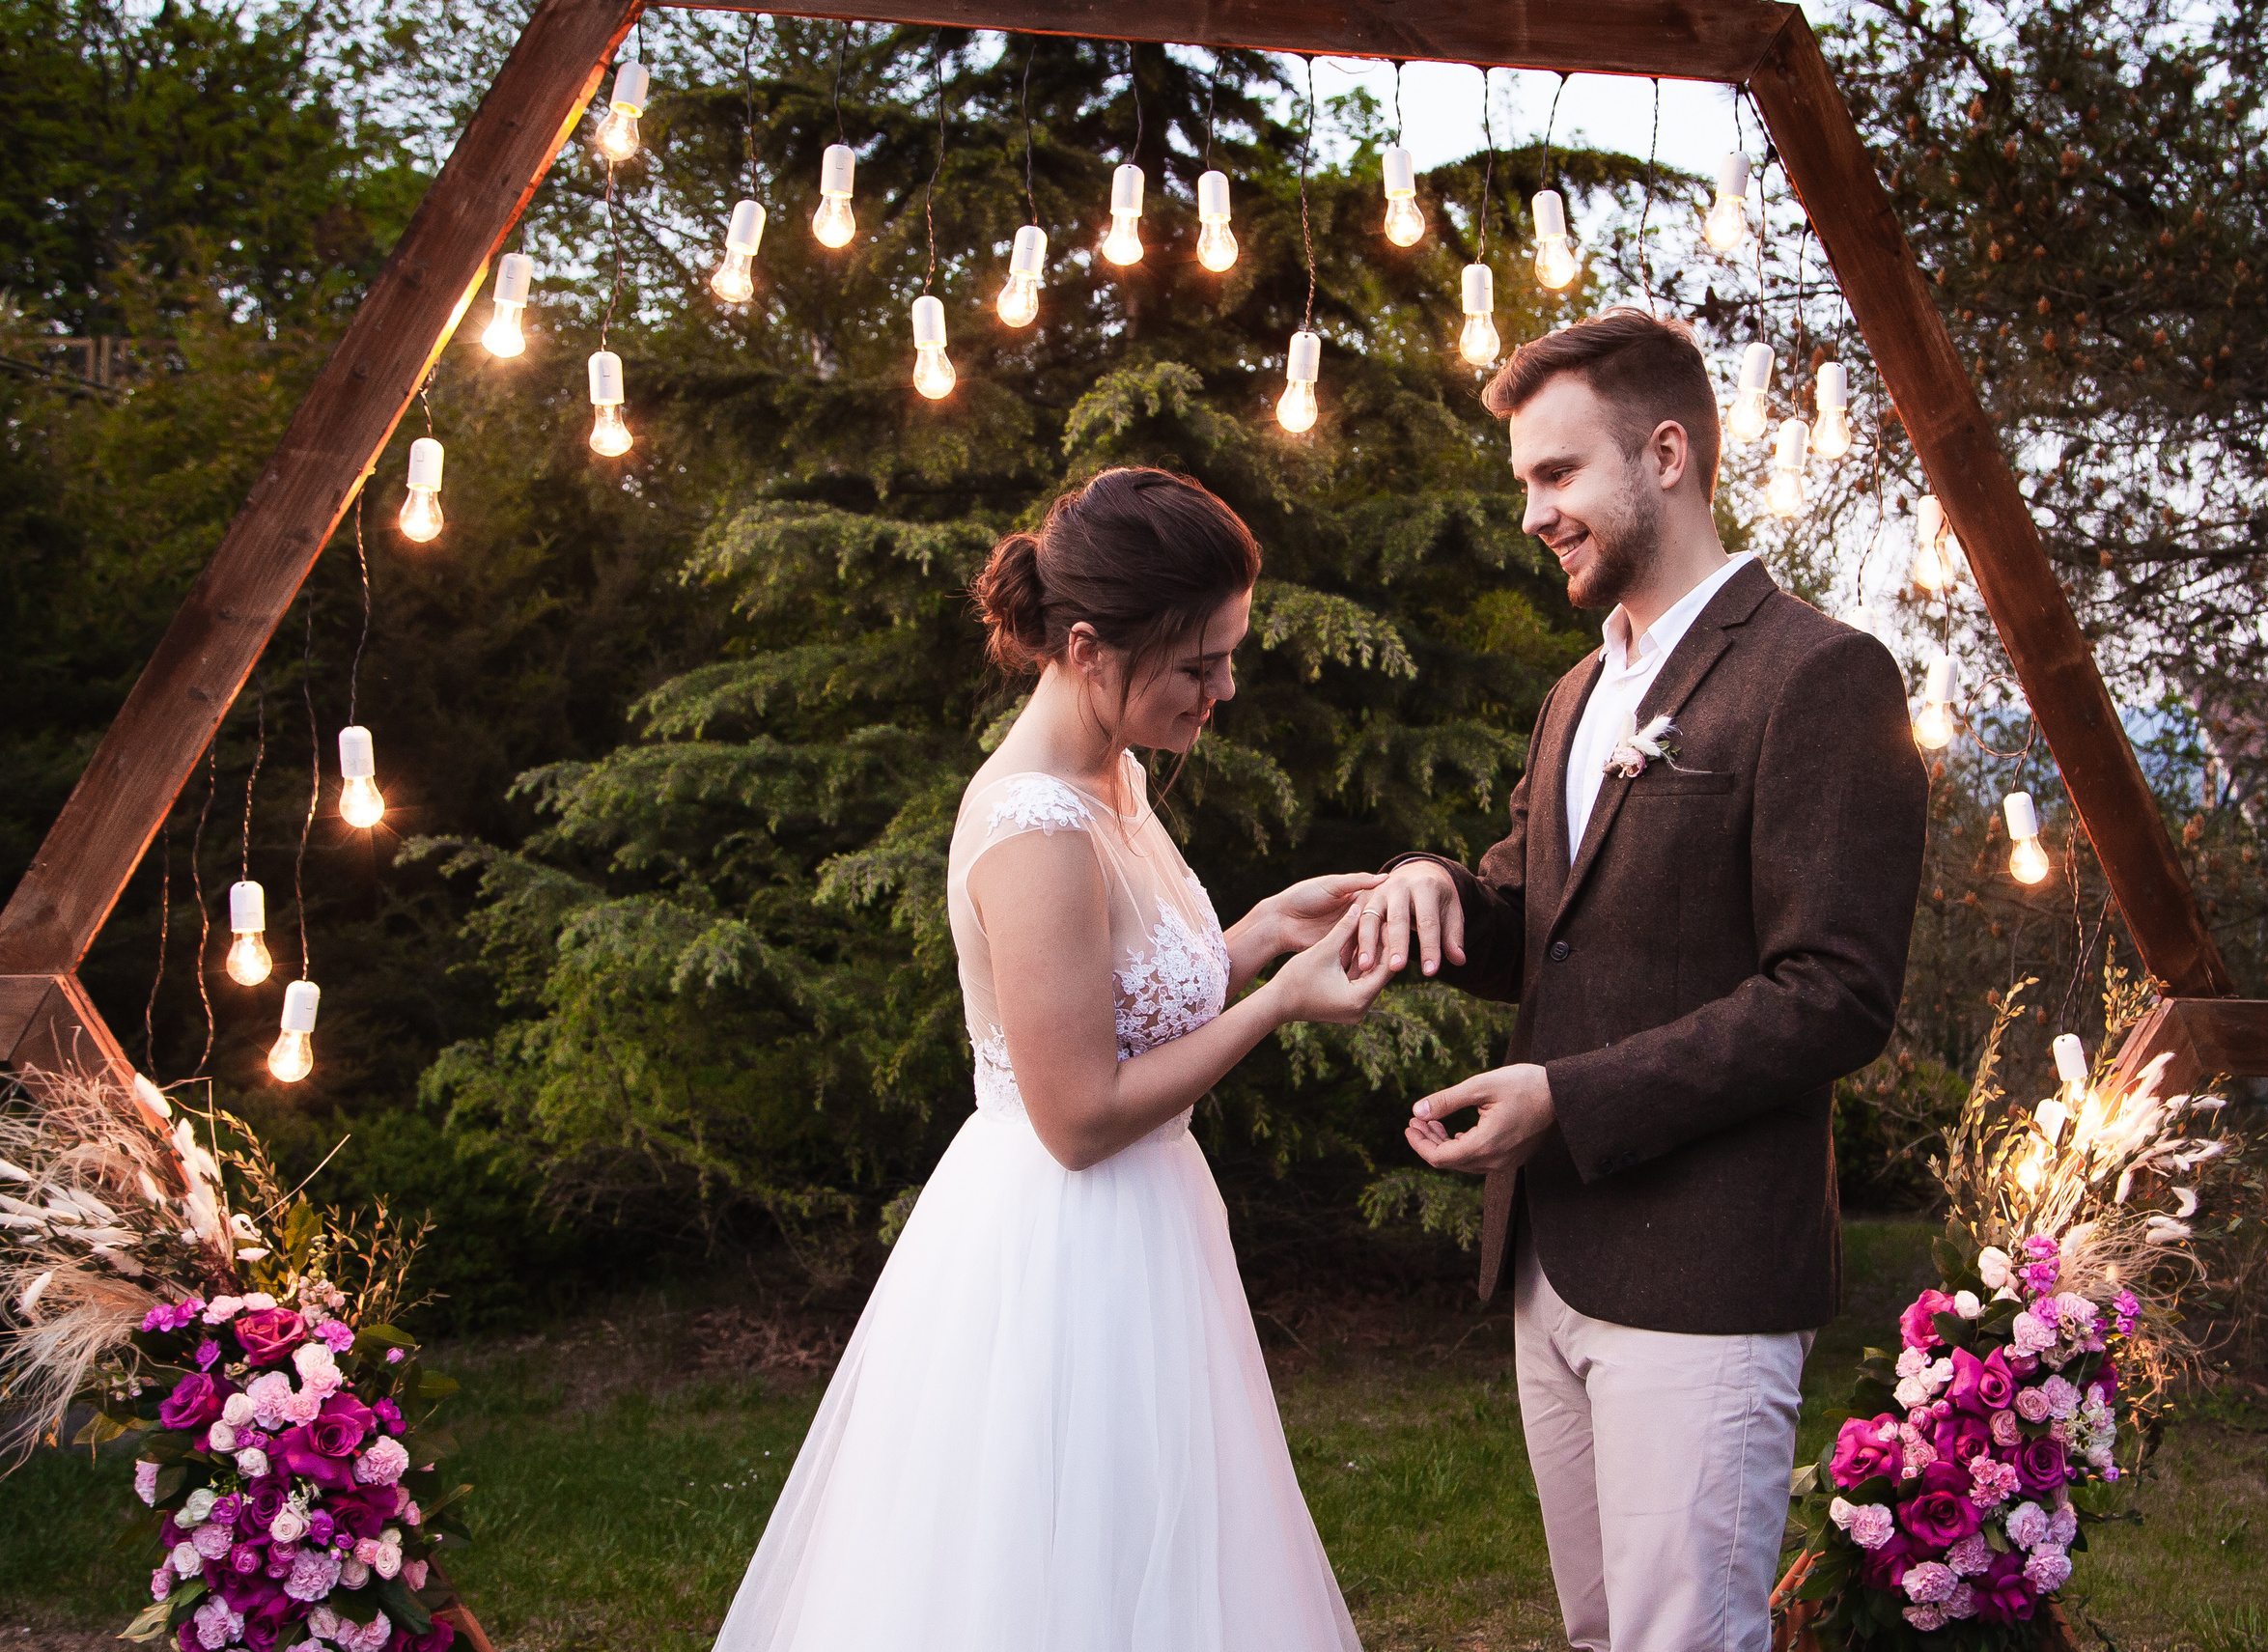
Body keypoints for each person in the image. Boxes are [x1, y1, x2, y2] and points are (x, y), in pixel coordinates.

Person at [714, 466, 1380, 1652]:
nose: (1222, 690)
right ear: (1086, 645)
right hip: (1062, 1255)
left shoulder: (1110, 771)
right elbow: (1077, 1114)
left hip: (1151, 1230)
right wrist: (1276, 1004)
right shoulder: (1032, 823)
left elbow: (1123, 998)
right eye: (1198, 663)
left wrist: (1259, 930)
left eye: (1228, 656)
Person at [1358, 309, 1928, 1652]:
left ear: (1666, 453)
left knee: (1685, 1635)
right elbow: (1532, 912)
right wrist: (1435, 883)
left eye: (1556, 476)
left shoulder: (1821, 676)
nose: (1532, 513)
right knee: (1603, 1629)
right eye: (1525, 484)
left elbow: (1836, 989)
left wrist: (1569, 1093)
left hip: (1704, 1265)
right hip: (1551, 1257)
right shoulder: (1577, 691)